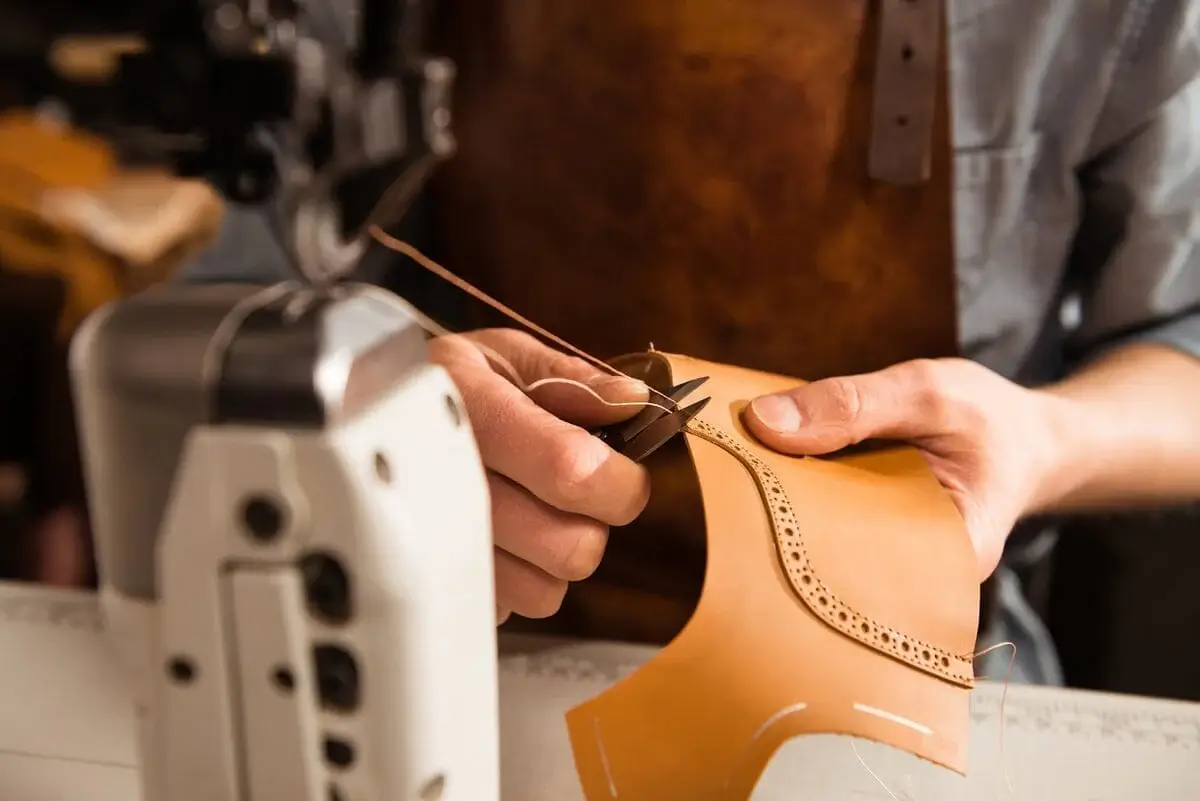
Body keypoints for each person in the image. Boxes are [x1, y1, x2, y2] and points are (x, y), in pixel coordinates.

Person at [179, 0, 1200, 684]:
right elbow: (225, 278)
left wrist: (1042, 439)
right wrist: (375, 395)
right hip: (449, 634)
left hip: (920, 669)